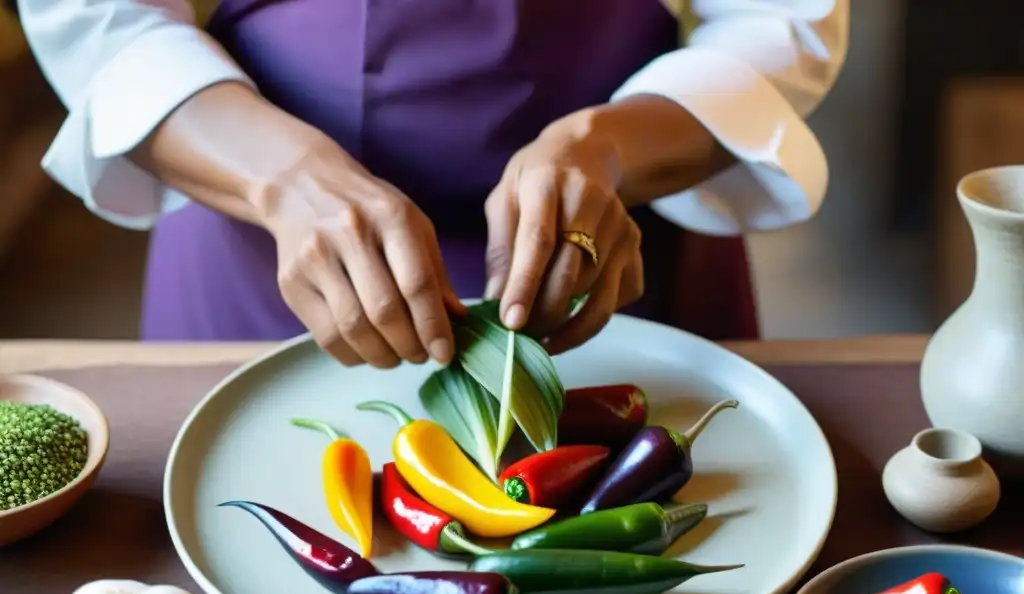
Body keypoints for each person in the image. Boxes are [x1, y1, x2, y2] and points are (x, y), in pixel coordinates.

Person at [18, 0, 848, 368]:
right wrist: (283, 182)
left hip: (618, 248)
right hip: (258, 243)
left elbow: (782, 17)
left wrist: (612, 150)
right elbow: (99, 12)